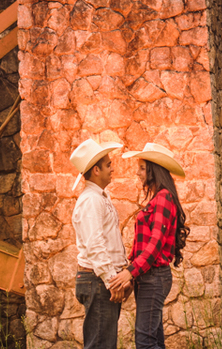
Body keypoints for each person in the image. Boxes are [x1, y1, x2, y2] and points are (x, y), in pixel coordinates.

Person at [107, 142, 189, 349]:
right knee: (154, 340)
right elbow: (143, 247)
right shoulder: (159, 198)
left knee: (145, 341)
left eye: (142, 168)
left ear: (154, 170)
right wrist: (134, 277)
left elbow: (154, 245)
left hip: (154, 278)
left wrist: (129, 272)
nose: (138, 173)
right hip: (149, 277)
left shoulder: (163, 198)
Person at [71, 138, 131, 349]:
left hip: (99, 280)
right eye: (108, 165)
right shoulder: (91, 200)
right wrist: (111, 280)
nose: (112, 169)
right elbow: (95, 244)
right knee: (100, 345)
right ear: (96, 170)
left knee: (104, 343)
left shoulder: (99, 197)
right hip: (97, 280)